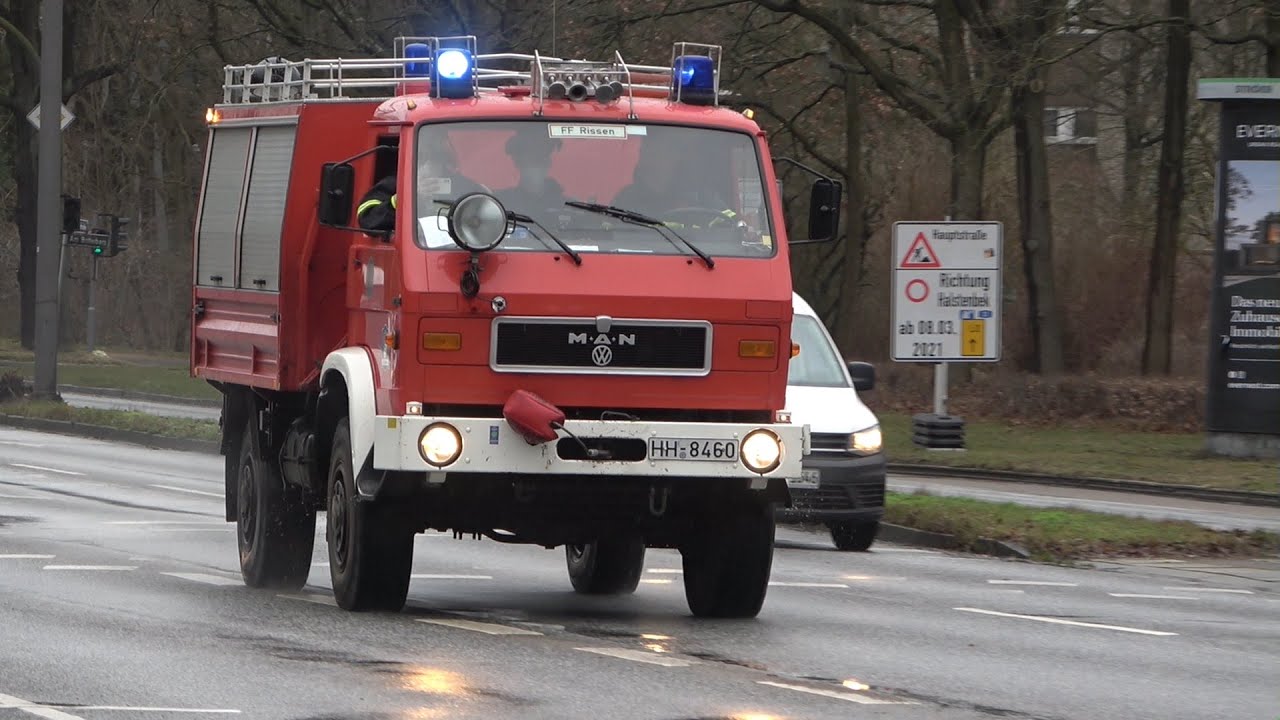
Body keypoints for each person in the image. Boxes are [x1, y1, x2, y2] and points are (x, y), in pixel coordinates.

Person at [503, 131, 565, 213]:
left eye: (540, 159)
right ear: (517, 162)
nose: (535, 167)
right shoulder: (501, 204)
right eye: (530, 160)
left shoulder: (570, 207)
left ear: (548, 162)